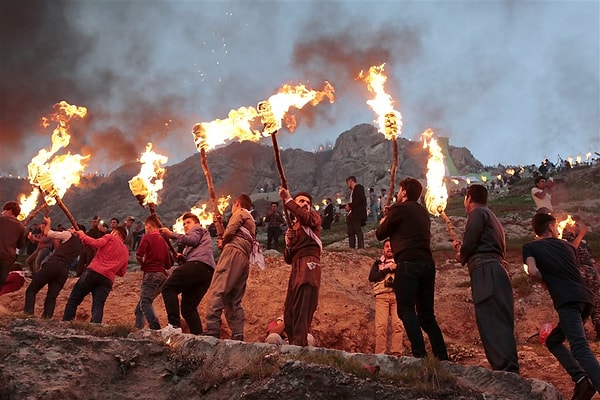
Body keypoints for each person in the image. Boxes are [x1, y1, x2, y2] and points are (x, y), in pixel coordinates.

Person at [523, 212, 600, 397]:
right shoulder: (567, 247)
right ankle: (582, 380)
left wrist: (547, 279)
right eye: (556, 226)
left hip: (568, 301)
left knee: (580, 347)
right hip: (585, 299)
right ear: (550, 227)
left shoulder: (530, 247)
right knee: (553, 340)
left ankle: (591, 381)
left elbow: (532, 271)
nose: (558, 229)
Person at [376, 177, 448, 361]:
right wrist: (391, 214)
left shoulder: (400, 208)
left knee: (406, 309)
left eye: (400, 191)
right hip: (427, 263)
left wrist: (386, 218)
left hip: (407, 263)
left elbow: (380, 234)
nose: (398, 194)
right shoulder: (423, 212)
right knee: (427, 315)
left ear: (404, 192)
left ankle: (420, 355)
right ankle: (442, 357)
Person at [452, 184, 519, 373]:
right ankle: (510, 367)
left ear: (469, 198)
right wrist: (464, 248)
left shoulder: (476, 213)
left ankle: (504, 369)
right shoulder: (492, 217)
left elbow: (472, 243)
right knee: (501, 320)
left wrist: (461, 254)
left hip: (486, 271)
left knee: (490, 319)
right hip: (498, 270)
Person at [204, 194, 255, 340]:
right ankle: (237, 333)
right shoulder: (250, 220)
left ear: (237, 203)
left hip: (233, 254)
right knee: (232, 298)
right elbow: (230, 235)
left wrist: (223, 239)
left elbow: (230, 232)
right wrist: (220, 226)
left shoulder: (241, 213)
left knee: (217, 289)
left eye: (233, 205)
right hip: (243, 258)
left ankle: (212, 329)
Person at [158, 212, 215, 335]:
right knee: (188, 308)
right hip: (206, 272)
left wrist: (171, 234)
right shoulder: (191, 245)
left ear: (197, 223)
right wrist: (182, 258)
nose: (185, 225)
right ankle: (198, 336)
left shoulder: (198, 229)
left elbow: (193, 240)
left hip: (198, 265)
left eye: (188, 222)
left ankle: (174, 325)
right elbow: (193, 250)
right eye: (184, 224)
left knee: (168, 288)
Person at [279, 187, 322, 346]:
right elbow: (288, 258)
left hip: (309, 264)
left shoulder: (313, 218)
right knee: (290, 312)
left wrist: (288, 199)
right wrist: (289, 243)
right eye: (301, 201)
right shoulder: (294, 228)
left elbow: (304, 217)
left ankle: (299, 345)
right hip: (296, 267)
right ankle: (293, 343)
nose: (305, 204)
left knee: (303, 306)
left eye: (308, 202)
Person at [62, 226, 129, 323]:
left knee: (74, 300)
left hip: (93, 272)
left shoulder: (110, 237)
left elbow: (96, 243)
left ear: (115, 232)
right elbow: (122, 272)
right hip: (107, 279)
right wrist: (113, 266)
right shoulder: (126, 252)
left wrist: (82, 235)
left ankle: (66, 324)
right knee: (98, 306)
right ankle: (95, 329)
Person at [24, 216, 83, 318]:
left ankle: (28, 316)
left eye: (71, 227)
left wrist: (48, 223)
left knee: (32, 289)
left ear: (76, 231)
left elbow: (49, 233)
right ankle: (47, 319)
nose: (69, 228)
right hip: (64, 270)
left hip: (54, 264)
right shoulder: (80, 245)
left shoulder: (68, 235)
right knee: (51, 297)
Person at [562, 221, 600, 340]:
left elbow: (590, 259)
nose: (575, 225)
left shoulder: (583, 242)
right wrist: (580, 236)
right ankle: (579, 332)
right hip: (578, 275)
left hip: (591, 275)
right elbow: (571, 250)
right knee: (581, 302)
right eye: (572, 223)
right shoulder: (563, 240)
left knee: (597, 302)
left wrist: (597, 273)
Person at [134, 215, 173, 330]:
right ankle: (138, 330)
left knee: (145, 302)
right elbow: (168, 264)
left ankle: (155, 329)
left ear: (148, 225)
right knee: (139, 308)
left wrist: (143, 264)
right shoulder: (165, 242)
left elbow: (139, 255)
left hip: (151, 273)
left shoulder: (147, 237)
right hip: (162, 277)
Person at [368, 239, 405, 356]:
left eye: (391, 246)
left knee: (398, 325)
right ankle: (380, 355)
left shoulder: (401, 263)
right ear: (383, 249)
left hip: (397, 296)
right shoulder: (378, 263)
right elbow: (372, 277)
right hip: (381, 296)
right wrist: (388, 269)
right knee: (381, 327)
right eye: (387, 246)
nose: (389, 248)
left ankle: (396, 353)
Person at [0, 201, 26, 288]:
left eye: (4, 210)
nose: (2, 212)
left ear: (10, 210)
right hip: (8, 258)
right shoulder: (21, 227)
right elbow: (20, 245)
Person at [344, 176, 367, 249]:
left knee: (357, 230)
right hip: (352, 214)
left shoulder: (359, 187)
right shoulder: (352, 191)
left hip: (358, 214)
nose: (347, 185)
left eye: (347, 183)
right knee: (351, 231)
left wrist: (350, 205)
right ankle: (352, 247)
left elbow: (359, 200)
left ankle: (361, 247)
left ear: (350, 181)